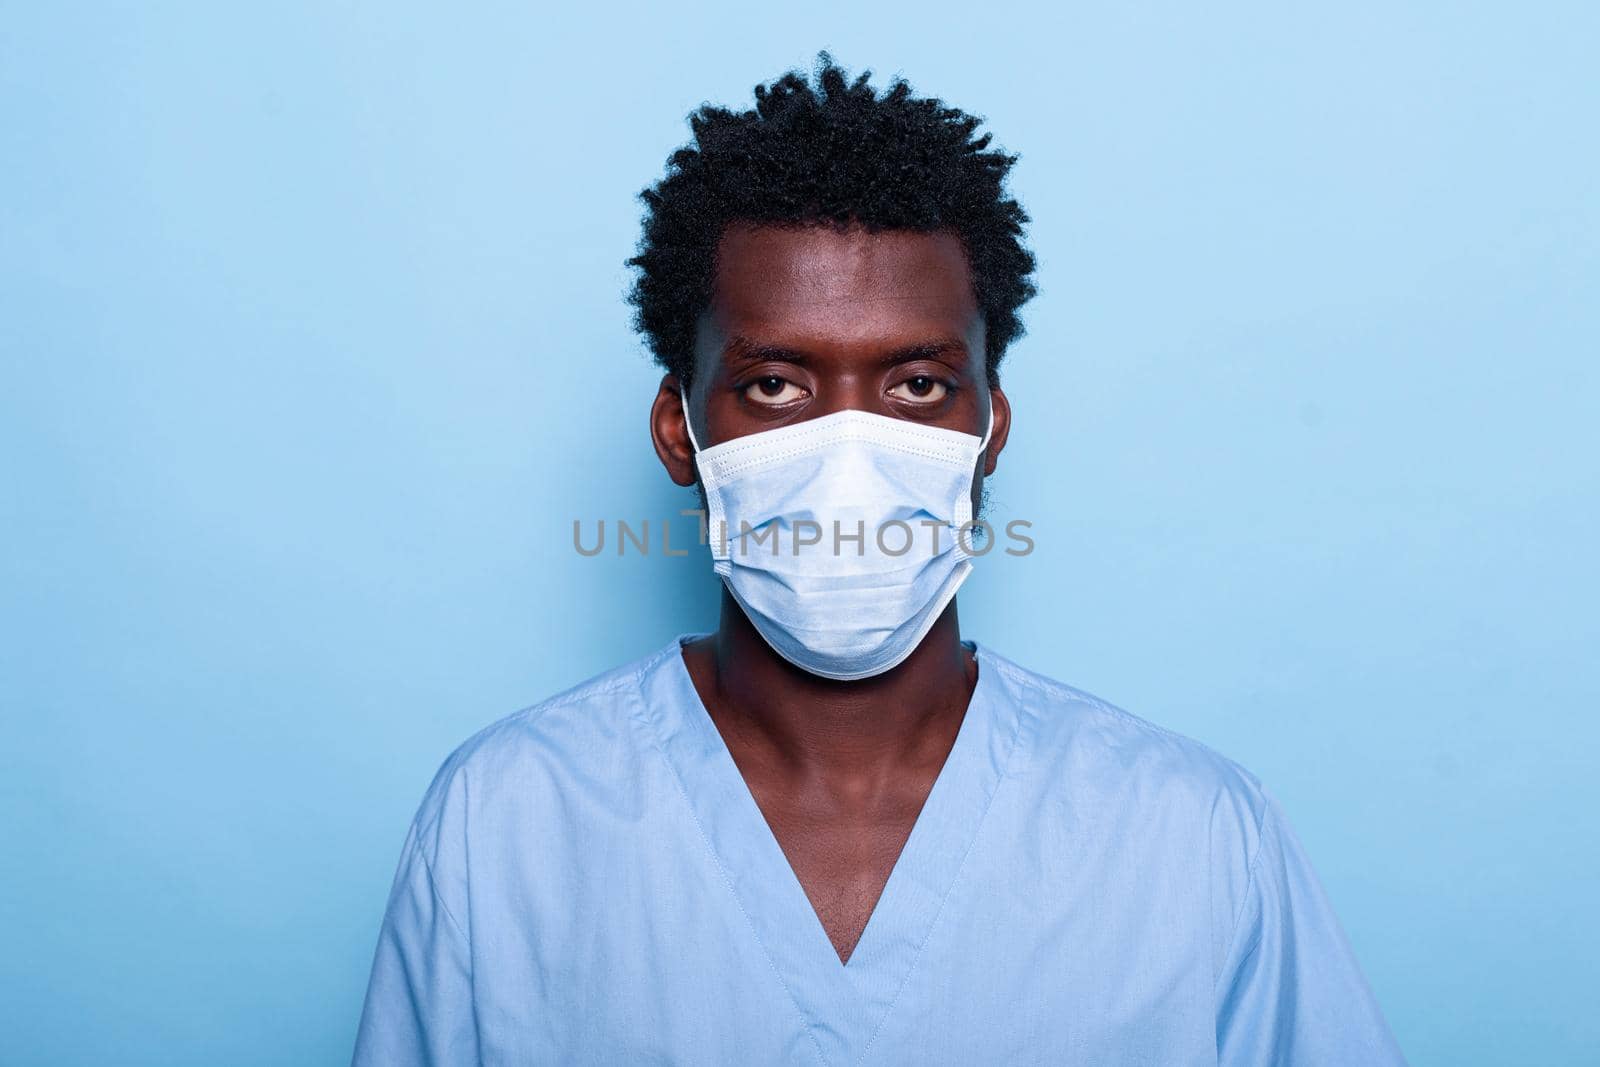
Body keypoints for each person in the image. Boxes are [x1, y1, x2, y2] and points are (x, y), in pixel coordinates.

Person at [352, 56, 1406, 1066]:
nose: (847, 454)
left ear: (988, 429)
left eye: (914, 385)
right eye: (774, 385)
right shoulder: (508, 823)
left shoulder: (1190, 835)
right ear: (679, 430)